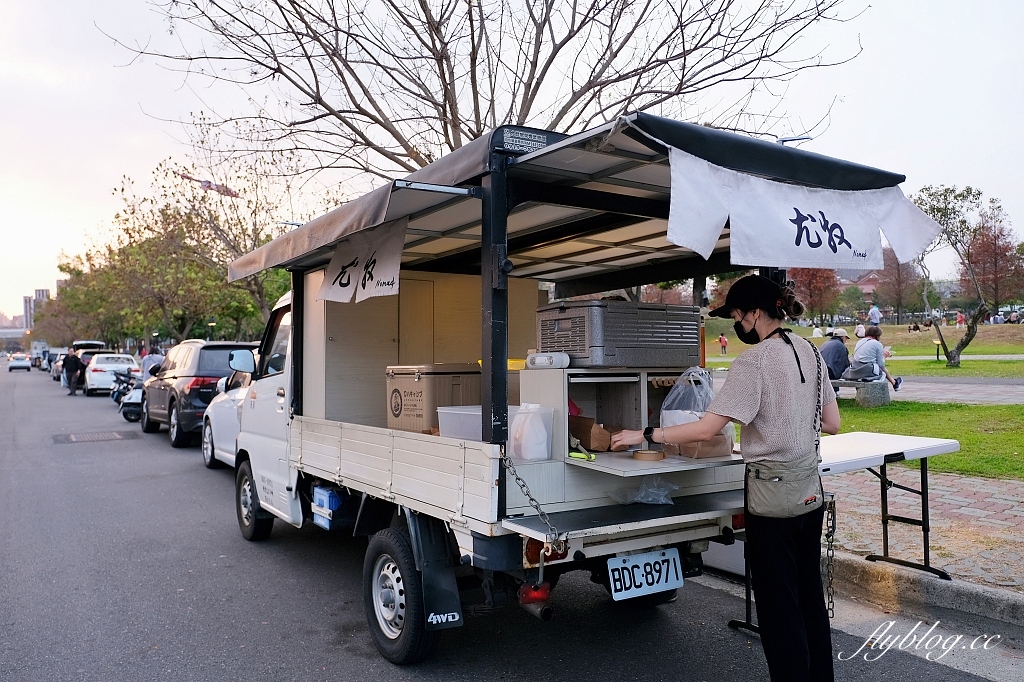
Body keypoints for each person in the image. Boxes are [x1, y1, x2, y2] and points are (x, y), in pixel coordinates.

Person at [611, 275, 839, 682]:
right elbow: (832, 423)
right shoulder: (810, 350)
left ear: (755, 313)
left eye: (737, 315)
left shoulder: (754, 361)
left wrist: (644, 434)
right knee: (808, 598)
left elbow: (705, 430)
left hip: (771, 498)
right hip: (809, 491)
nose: (736, 323)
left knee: (778, 608)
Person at [845, 325, 902, 391]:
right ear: (877, 336)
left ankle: (894, 383)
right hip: (867, 371)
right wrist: (885, 356)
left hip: (855, 370)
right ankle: (894, 383)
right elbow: (881, 364)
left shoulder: (860, 342)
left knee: (878, 367)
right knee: (881, 369)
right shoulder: (877, 344)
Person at [820, 328, 851, 393]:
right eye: (846, 338)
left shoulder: (826, 343)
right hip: (830, 372)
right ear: (842, 337)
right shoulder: (841, 346)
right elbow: (844, 363)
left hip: (821, 369)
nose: (846, 340)